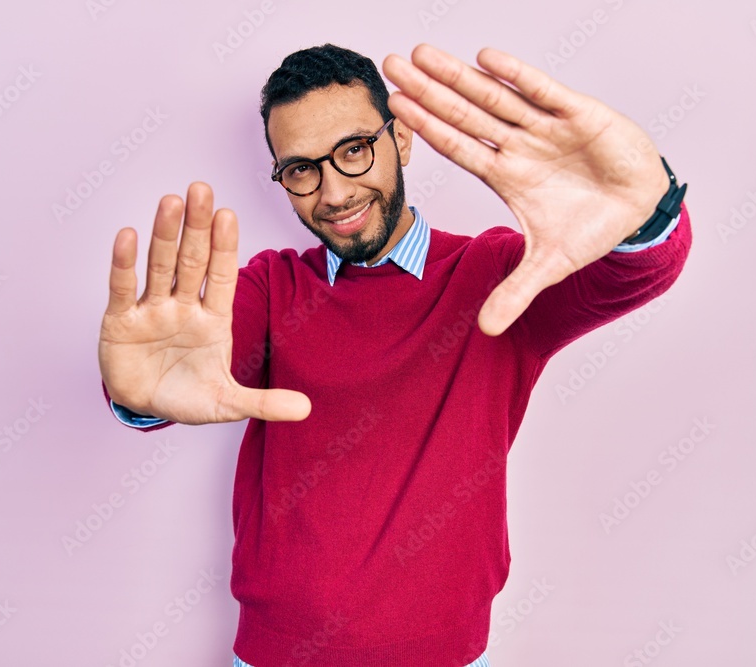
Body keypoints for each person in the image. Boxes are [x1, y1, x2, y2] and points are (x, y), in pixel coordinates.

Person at [98, 42, 691, 667]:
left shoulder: (494, 274)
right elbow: (176, 375)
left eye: (354, 150)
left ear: (400, 140)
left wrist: (642, 208)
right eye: (300, 170)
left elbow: (637, 272)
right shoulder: (272, 288)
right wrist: (139, 395)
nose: (334, 192)